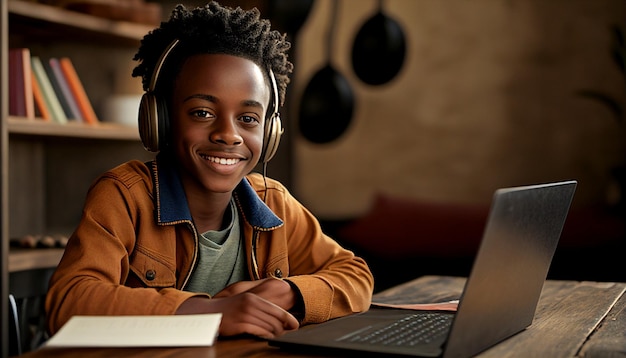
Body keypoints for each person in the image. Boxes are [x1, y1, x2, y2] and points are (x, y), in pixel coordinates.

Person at [45, 1, 374, 339]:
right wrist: (209, 313)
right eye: (202, 113)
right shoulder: (124, 196)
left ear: (270, 132)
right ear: (161, 120)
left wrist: (288, 291)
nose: (228, 135)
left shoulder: (273, 203)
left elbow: (355, 275)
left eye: (248, 119)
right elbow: (68, 302)